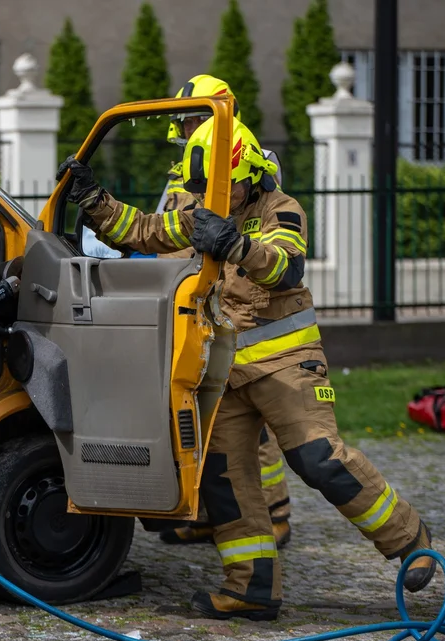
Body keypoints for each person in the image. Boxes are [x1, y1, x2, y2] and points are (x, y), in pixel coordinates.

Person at [57, 116, 436, 620]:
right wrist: (93, 199)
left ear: (251, 172)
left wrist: (234, 244)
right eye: (206, 186)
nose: (218, 195)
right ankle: (251, 589)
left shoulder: (282, 209)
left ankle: (410, 540)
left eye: (226, 184)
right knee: (224, 479)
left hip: (285, 364)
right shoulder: (202, 213)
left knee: (317, 459)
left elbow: (286, 266)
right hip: (223, 372)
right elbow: (145, 232)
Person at [155, 75, 292, 548]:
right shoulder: (187, 167)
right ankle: (213, 513)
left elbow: (253, 238)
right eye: (186, 118)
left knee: (250, 427)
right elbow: (172, 228)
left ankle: (274, 514)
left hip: (240, 313)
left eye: (196, 115)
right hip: (196, 305)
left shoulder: (248, 161)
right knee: (206, 419)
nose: (188, 124)